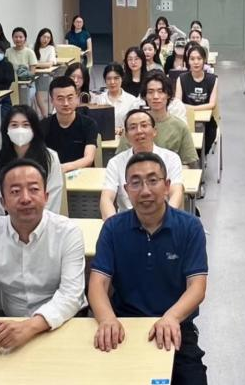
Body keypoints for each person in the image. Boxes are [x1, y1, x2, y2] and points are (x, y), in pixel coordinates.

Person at [89, 152, 208, 384]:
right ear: (126, 189)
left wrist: (171, 317)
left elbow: (197, 287)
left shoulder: (190, 227)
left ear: (167, 186)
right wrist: (106, 319)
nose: (145, 191)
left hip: (176, 323)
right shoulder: (113, 228)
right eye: (136, 183)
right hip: (124, 325)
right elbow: (97, 283)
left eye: (153, 181)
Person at [0, 159, 87, 350]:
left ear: (46, 196)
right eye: (15, 191)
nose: (25, 198)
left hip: (61, 323)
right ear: (3, 202)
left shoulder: (68, 232)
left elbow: (71, 295)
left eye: (34, 189)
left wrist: (30, 327)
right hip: (10, 322)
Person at [100, 110, 185, 219]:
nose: (139, 131)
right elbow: (106, 198)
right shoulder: (115, 163)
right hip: (128, 222)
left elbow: (176, 192)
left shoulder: (171, 158)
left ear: (154, 131)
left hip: (162, 218)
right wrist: (113, 224)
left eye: (144, 125)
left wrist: (166, 219)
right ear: (126, 135)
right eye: (133, 127)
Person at [0, 105, 63, 216]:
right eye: (14, 125)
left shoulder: (51, 158)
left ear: (34, 129)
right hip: (3, 223)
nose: (20, 130)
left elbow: (53, 199)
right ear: (6, 130)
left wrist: (34, 222)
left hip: (41, 222)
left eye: (26, 125)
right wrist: (4, 224)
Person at [118, 71, 199, 167]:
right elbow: (120, 161)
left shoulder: (180, 127)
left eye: (160, 91)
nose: (155, 97)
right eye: (150, 92)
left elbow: (190, 163)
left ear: (168, 95)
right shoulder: (134, 126)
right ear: (145, 96)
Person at [41, 76, 98, 172]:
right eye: (60, 99)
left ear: (76, 97)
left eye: (70, 98)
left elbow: (88, 159)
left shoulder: (89, 124)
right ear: (52, 101)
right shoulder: (43, 126)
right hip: (54, 176)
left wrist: (62, 168)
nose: (66, 103)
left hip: (82, 175)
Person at [175, 45, 218, 151]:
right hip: (185, 119)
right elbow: (177, 102)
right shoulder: (181, 78)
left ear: (204, 60)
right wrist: (192, 110)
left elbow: (211, 104)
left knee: (203, 140)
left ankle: (200, 156)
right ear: (188, 61)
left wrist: (190, 108)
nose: (196, 62)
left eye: (199, 58)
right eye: (192, 59)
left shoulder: (213, 79)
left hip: (207, 123)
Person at [92, 63, 142, 132]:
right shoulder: (97, 100)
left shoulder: (132, 101)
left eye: (116, 78)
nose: (112, 82)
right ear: (105, 80)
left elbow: (135, 125)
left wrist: (122, 130)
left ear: (122, 78)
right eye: (109, 78)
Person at [33, 28, 57, 113]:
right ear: (39, 37)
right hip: (34, 75)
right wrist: (39, 65)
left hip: (47, 74)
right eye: (44, 37)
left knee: (49, 93)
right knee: (36, 93)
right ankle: (44, 115)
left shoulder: (51, 48)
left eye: (48, 38)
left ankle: (50, 113)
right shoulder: (33, 47)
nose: (46, 39)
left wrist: (35, 64)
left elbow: (49, 64)